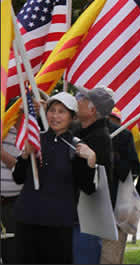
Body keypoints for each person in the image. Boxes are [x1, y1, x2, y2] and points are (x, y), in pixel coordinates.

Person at [12, 92, 97, 264]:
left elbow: (88, 188)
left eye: (61, 112)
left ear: (72, 117)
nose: (55, 116)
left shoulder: (77, 146)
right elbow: (18, 178)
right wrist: (25, 156)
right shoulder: (35, 140)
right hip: (28, 220)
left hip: (59, 224)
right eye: (52, 110)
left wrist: (91, 162)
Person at [73, 86, 115, 264]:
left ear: (92, 110)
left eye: (82, 98)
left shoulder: (99, 138)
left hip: (86, 220)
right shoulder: (82, 131)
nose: (77, 100)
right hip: (77, 217)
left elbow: (91, 185)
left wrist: (90, 160)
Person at [101, 107, 140, 265]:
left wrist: (111, 155)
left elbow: (133, 170)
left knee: (110, 259)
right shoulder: (78, 131)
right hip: (81, 215)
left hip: (114, 212)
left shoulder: (123, 135)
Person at [1, 109, 23, 264]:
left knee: (12, 251)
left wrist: (1, 153)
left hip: (13, 204)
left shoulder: (29, 137)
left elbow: (22, 169)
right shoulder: (2, 132)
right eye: (19, 111)